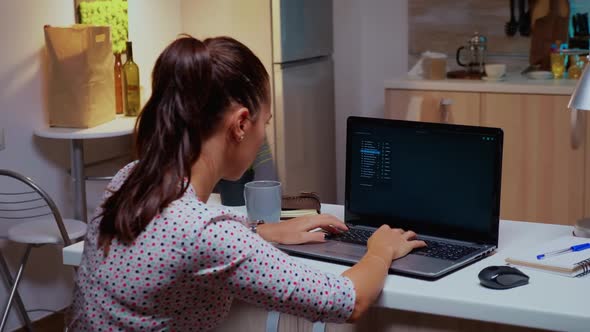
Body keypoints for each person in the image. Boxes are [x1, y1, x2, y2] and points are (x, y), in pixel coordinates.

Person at [70, 35, 426, 331]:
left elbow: (184, 242)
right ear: (241, 124)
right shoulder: (205, 233)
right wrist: (381, 249)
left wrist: (263, 231)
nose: (262, 135)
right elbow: (351, 300)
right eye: (264, 123)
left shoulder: (130, 177)